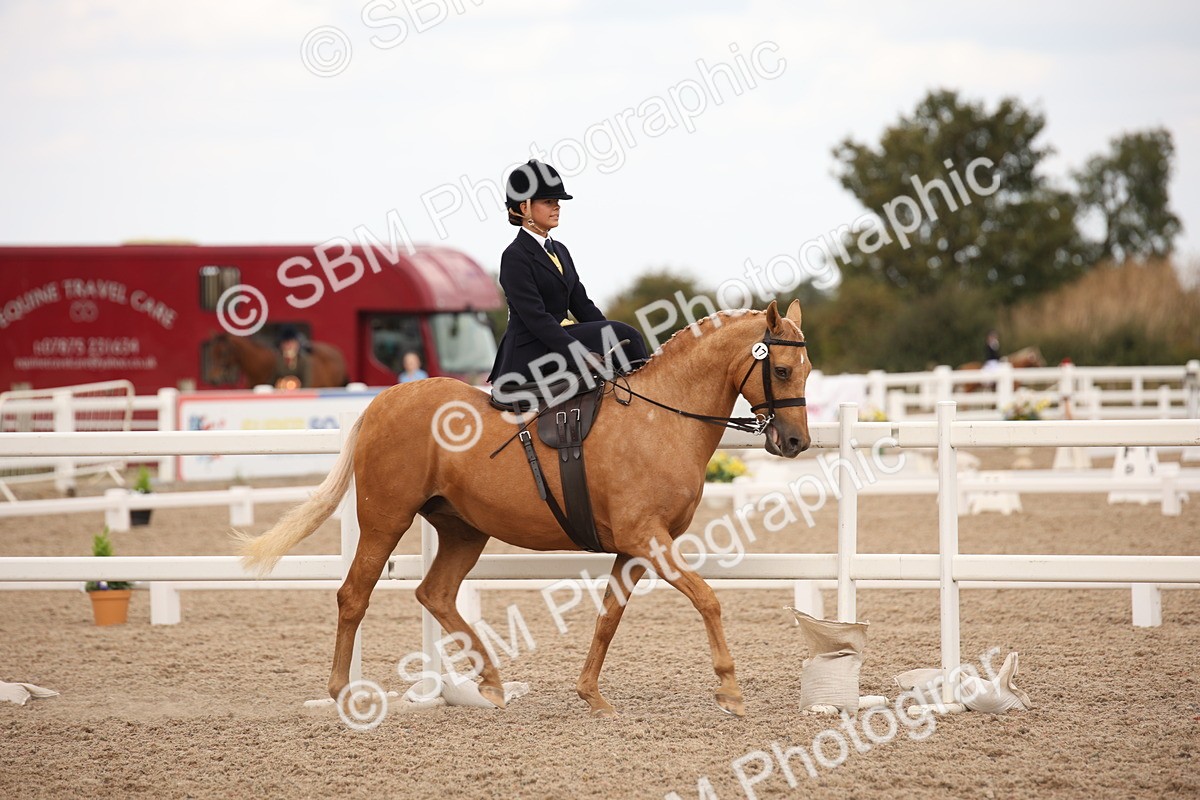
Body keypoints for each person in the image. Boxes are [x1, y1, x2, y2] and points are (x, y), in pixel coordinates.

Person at [487, 159, 648, 394]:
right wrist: (580, 353)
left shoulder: (560, 250)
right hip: (531, 349)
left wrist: (609, 341)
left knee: (625, 337)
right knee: (622, 333)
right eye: (549, 201)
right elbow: (537, 319)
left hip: (558, 340)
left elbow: (582, 305)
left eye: (558, 202)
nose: (557, 207)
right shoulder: (514, 256)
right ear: (525, 208)